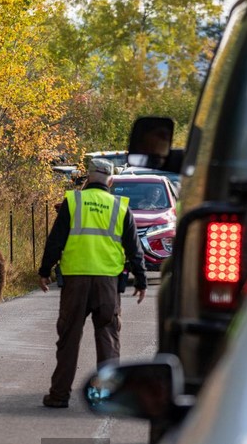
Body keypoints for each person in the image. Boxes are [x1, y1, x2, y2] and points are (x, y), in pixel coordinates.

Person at [38, 157, 147, 408]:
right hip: (107, 284)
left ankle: (59, 395)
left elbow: (56, 241)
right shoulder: (120, 207)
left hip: (75, 282)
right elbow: (134, 248)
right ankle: (105, 398)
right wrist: (141, 280)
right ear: (110, 180)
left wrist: (44, 270)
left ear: (88, 177)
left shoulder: (73, 202)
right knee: (108, 338)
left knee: (69, 339)